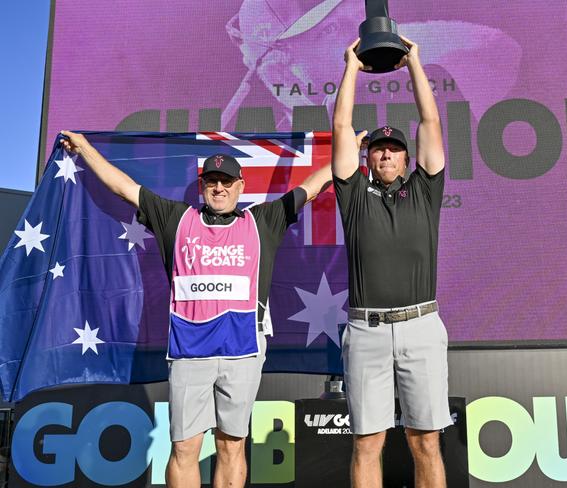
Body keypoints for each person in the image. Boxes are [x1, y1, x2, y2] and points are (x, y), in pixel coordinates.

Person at [60, 130, 355, 488]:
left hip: (243, 351)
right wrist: (86, 150)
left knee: (232, 445)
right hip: (190, 352)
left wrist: (349, 146)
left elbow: (312, 185)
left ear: (240, 186)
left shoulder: (262, 221)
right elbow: (122, 186)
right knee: (185, 446)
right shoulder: (176, 219)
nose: (219, 188)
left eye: (226, 181)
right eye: (212, 181)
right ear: (202, 186)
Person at [331, 36, 453, 488]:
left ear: (406, 158)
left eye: (393, 149)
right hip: (366, 331)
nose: (384, 153)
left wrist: (415, 64)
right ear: (368, 159)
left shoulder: (424, 190)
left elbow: (430, 119)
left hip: (421, 327)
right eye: (377, 149)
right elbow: (342, 126)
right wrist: (350, 67)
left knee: (425, 442)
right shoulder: (354, 195)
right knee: (367, 442)